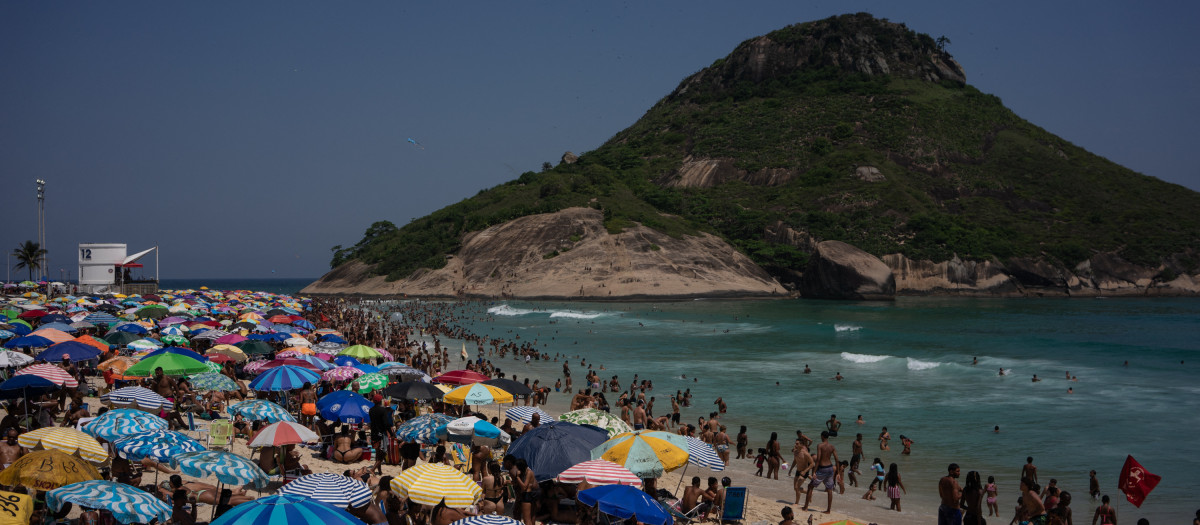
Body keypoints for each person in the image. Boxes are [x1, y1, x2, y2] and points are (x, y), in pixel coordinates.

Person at [802, 431, 838, 514]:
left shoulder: (820, 445)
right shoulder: (832, 447)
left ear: (822, 436)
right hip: (830, 468)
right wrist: (838, 472)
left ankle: (806, 507)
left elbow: (818, 459)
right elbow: (836, 459)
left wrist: (814, 471)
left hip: (822, 469)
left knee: (810, 486)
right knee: (829, 489)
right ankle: (828, 510)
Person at [369, 396, 394, 474]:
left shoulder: (371, 410)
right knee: (383, 453)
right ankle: (373, 469)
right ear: (380, 401)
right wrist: (391, 433)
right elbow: (386, 424)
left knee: (377, 452)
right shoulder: (382, 410)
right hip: (381, 434)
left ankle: (379, 471)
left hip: (373, 433)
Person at [512, 458, 538, 525]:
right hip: (532, 495)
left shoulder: (528, 472)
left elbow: (524, 487)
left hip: (527, 495)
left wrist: (517, 477)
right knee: (531, 517)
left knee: (526, 519)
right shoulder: (527, 472)